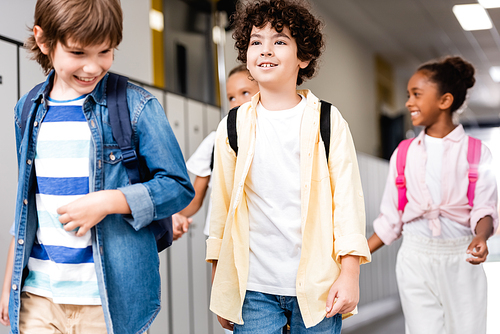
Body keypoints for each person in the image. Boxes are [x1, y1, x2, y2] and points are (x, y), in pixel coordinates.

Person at [4, 0, 194, 333]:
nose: (92, 67)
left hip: (107, 301)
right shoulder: (28, 110)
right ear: (44, 40)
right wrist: (10, 284)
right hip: (39, 295)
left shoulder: (136, 105)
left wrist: (107, 202)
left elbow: (178, 187)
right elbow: (27, 206)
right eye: (78, 53)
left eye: (105, 52)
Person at [206, 0, 371, 332]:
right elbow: (221, 208)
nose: (266, 50)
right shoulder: (233, 125)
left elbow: (347, 203)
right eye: (256, 42)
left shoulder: (328, 120)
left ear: (303, 57)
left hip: (319, 284)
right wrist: (220, 285)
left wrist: (350, 273)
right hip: (253, 287)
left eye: (279, 41)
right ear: (247, 57)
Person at [367, 56, 498, 334]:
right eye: (408, 95)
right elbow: (391, 219)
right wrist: (354, 257)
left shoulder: (476, 152)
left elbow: (484, 209)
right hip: (415, 258)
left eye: (416, 94)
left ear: (444, 100)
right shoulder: (404, 153)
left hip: (461, 259)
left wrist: (480, 236)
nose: (408, 102)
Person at [172, 65, 259, 240]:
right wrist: (172, 216)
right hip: (221, 238)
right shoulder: (216, 140)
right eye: (231, 97)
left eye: (245, 93)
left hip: (260, 239)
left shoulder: (275, 138)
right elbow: (195, 199)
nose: (237, 102)